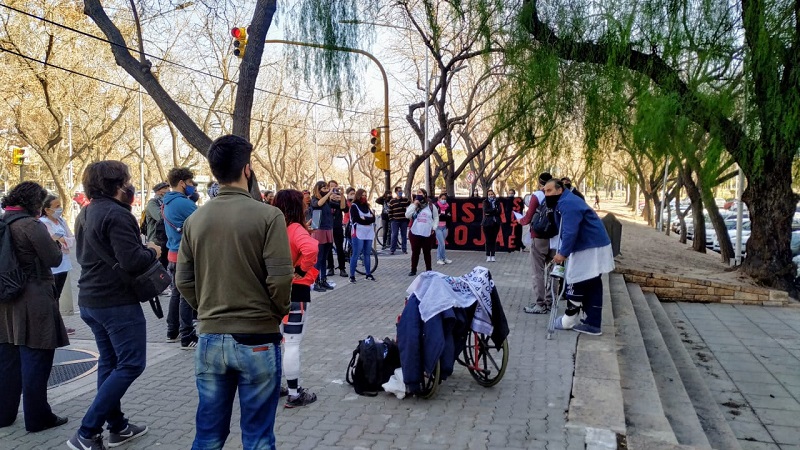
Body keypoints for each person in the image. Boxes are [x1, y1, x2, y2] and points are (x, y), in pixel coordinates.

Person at [176, 134, 293, 449]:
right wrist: (274, 312)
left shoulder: (195, 219)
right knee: (257, 436)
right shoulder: (269, 216)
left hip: (210, 337)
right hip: (257, 337)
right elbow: (281, 279)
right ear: (247, 169)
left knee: (208, 435)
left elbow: (183, 280)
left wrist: (207, 308)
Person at [69, 161, 159, 450]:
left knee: (109, 362)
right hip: (115, 303)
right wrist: (152, 251)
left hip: (92, 300)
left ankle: (117, 426)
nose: (131, 186)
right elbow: (133, 261)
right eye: (127, 181)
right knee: (131, 363)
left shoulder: (87, 212)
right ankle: (87, 431)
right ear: (117, 186)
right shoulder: (117, 215)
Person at [0, 182, 70, 433]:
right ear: (34, 203)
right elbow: (53, 258)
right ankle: (37, 417)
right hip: (34, 297)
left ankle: (4, 414)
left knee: (7, 360)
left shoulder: (4, 221)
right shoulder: (30, 225)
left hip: (5, 298)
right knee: (36, 358)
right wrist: (52, 241)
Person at [545, 179, 615, 335]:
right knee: (592, 283)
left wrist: (563, 253)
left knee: (575, 279)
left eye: (549, 191)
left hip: (589, 246)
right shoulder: (567, 200)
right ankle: (593, 323)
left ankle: (568, 320)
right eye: (544, 191)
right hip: (595, 244)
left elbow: (570, 231)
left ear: (559, 190)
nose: (546, 194)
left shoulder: (567, 203)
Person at [273, 189, 319, 408]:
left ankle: (275, 388)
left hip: (272, 290)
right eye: (303, 202)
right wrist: (301, 269)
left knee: (275, 342)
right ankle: (294, 393)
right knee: (291, 344)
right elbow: (310, 248)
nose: (306, 205)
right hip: (296, 291)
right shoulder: (294, 228)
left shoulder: (272, 227)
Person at [163, 168, 199, 349]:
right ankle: (187, 335)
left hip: (173, 254)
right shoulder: (183, 204)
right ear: (182, 183)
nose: (192, 187)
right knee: (186, 295)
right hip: (185, 255)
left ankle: (172, 330)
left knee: (176, 293)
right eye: (191, 183)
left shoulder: (167, 202)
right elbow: (204, 222)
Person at [519, 173, 556, 314]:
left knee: (538, 271)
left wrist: (520, 221)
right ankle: (550, 300)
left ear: (539, 183)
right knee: (554, 272)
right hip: (555, 239)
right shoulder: (559, 195)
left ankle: (540, 303)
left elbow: (528, 218)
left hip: (540, 237)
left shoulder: (538, 195)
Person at [405, 188, 437, 276]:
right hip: (415, 232)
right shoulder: (415, 205)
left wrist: (434, 228)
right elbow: (407, 215)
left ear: (425, 195)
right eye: (417, 193)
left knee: (427, 252)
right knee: (415, 252)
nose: (418, 194)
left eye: (420, 193)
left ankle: (429, 270)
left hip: (427, 233)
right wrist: (414, 204)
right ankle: (413, 269)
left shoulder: (430, 206)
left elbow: (436, 218)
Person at [310, 180, 335, 292]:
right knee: (318, 258)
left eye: (327, 188)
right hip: (319, 230)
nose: (326, 190)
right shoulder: (314, 200)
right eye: (324, 188)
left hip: (328, 229)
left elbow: (342, 207)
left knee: (324, 257)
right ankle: (315, 282)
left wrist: (341, 195)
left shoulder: (328, 202)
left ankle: (323, 280)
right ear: (318, 189)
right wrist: (329, 194)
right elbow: (318, 204)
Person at [349, 188, 377, 283]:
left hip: (368, 232)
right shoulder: (354, 206)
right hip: (358, 232)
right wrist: (367, 219)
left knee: (367, 254)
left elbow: (373, 218)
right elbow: (357, 219)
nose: (364, 197)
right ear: (358, 195)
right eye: (362, 195)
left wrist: (365, 218)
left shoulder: (367, 206)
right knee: (356, 254)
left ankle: (368, 274)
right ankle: (352, 276)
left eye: (365, 195)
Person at [144, 182, 170, 272]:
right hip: (156, 241)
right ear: (159, 191)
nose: (168, 190)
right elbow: (159, 216)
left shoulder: (166, 202)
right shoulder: (152, 203)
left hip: (166, 239)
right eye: (166, 188)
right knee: (158, 269)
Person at [326, 180, 348, 278]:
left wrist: (342, 196)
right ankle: (330, 267)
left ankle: (342, 268)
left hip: (337, 226)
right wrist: (329, 196)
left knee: (340, 248)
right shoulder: (326, 197)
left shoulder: (340, 198)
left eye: (335, 187)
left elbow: (345, 209)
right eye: (331, 187)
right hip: (328, 226)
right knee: (328, 248)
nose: (333, 189)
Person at [388, 186, 410, 255]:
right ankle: (392, 250)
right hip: (395, 220)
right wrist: (391, 219)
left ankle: (404, 249)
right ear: (396, 192)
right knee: (394, 235)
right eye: (399, 191)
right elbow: (390, 211)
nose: (400, 192)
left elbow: (410, 207)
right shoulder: (392, 201)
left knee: (404, 235)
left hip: (404, 220)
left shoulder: (405, 200)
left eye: (401, 191)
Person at [482, 189, 502, 262]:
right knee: (488, 240)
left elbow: (499, 211)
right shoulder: (485, 202)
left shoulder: (497, 202)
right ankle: (488, 255)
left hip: (496, 223)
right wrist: (494, 209)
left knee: (493, 240)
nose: (491, 195)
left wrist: (492, 211)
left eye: (492, 194)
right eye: (489, 194)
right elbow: (486, 211)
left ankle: (493, 255)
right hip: (487, 223)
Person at [434, 193, 452, 265]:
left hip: (445, 227)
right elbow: (436, 217)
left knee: (442, 243)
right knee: (442, 243)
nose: (443, 200)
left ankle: (443, 258)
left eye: (445, 199)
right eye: (442, 199)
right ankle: (439, 258)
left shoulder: (447, 206)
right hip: (438, 227)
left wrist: (442, 216)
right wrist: (444, 216)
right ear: (439, 198)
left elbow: (449, 217)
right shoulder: (436, 206)